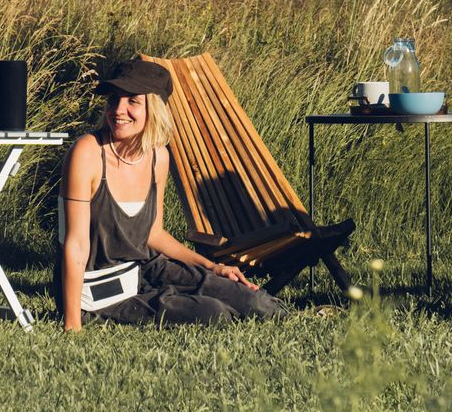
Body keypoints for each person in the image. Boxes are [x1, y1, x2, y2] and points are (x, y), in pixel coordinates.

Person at [57, 57, 288, 329]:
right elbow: (75, 246)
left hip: (147, 268)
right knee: (214, 313)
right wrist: (72, 324)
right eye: (113, 99)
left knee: (257, 304)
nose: (118, 110)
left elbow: (153, 234)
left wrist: (212, 267)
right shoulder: (87, 152)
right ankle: (170, 300)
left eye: (132, 101)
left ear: (154, 109)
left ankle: (180, 294)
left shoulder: (158, 157)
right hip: (101, 288)